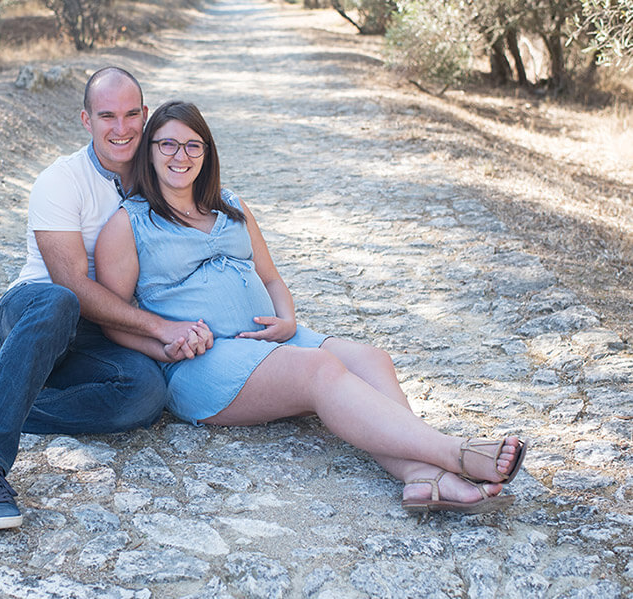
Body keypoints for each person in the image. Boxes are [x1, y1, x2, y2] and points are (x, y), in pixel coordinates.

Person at [94, 100, 528, 514]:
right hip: (208, 362)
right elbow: (114, 320)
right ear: (149, 151)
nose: (180, 155)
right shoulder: (129, 223)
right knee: (320, 371)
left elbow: (270, 277)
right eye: (167, 144)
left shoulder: (230, 205)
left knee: (372, 359)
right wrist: (164, 347)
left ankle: (420, 476)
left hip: (276, 340)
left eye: (193, 145)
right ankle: (455, 452)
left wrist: (287, 319)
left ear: (207, 152)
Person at [0, 69, 213, 530]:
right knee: (60, 301)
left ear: (145, 115)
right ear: (85, 119)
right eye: (107, 115)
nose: (121, 128)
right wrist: (159, 328)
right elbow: (70, 283)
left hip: (103, 331)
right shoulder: (61, 181)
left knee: (146, 394)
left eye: (132, 114)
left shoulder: (160, 174)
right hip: (34, 312)